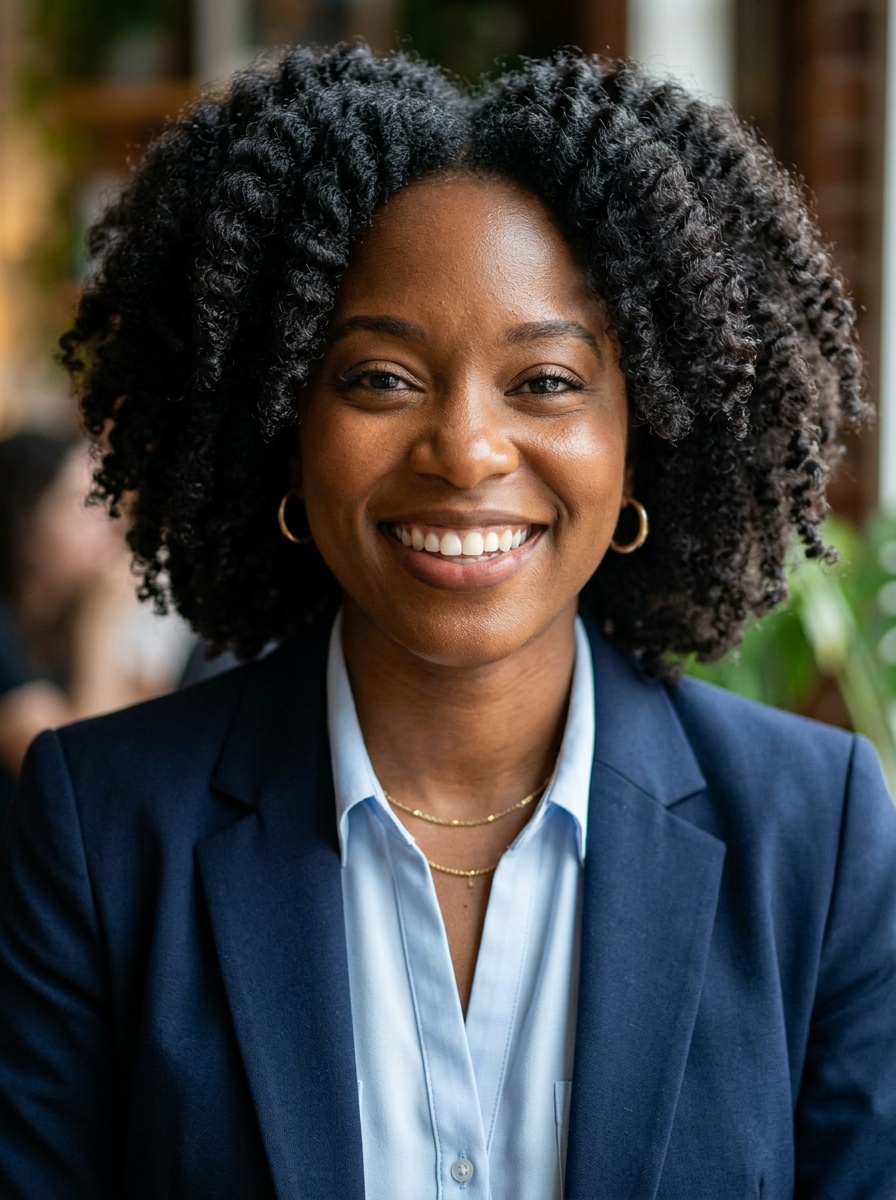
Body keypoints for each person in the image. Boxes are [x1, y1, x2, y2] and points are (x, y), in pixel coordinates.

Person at [0, 43, 894, 1200]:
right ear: (283, 423)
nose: (465, 450)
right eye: (380, 377)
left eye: (545, 381)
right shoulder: (103, 826)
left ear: (642, 438)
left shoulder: (811, 832)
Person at [0, 432, 193, 818]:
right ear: (26, 521)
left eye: (109, 504)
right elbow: (87, 786)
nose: (114, 525)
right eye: (85, 504)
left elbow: (145, 760)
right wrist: (99, 628)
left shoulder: (62, 626)